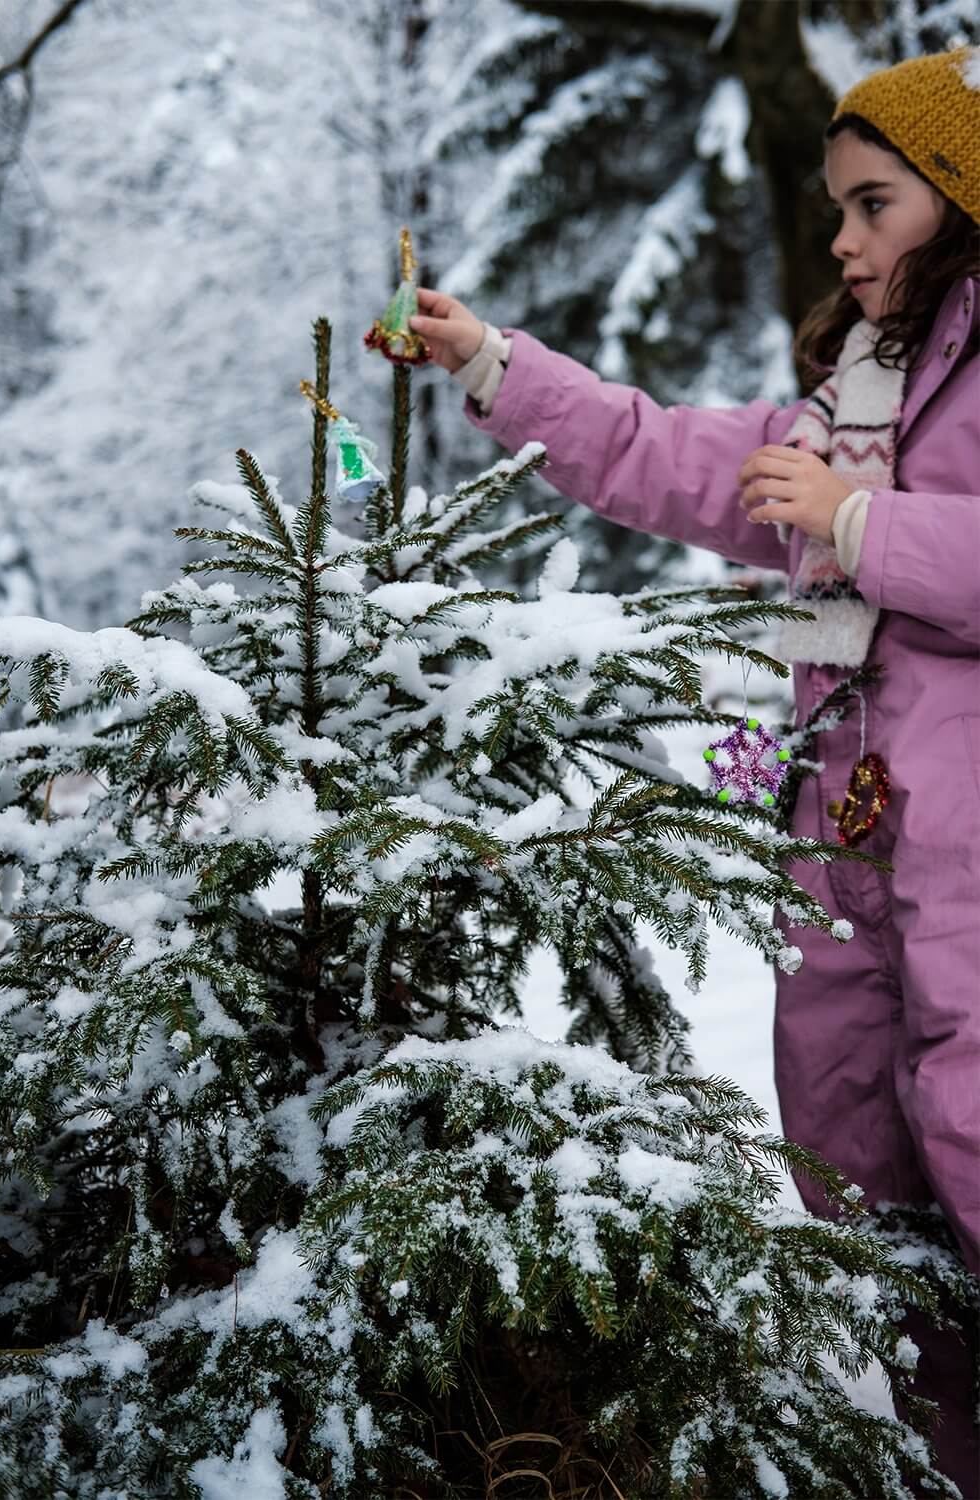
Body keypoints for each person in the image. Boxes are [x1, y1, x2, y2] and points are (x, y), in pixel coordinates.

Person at [410, 46, 980, 1499]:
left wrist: (866, 528)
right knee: (864, 1187)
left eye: (873, 206)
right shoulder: (843, 400)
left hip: (970, 870)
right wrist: (491, 362)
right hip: (846, 858)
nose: (842, 241)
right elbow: (656, 452)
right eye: (835, 209)